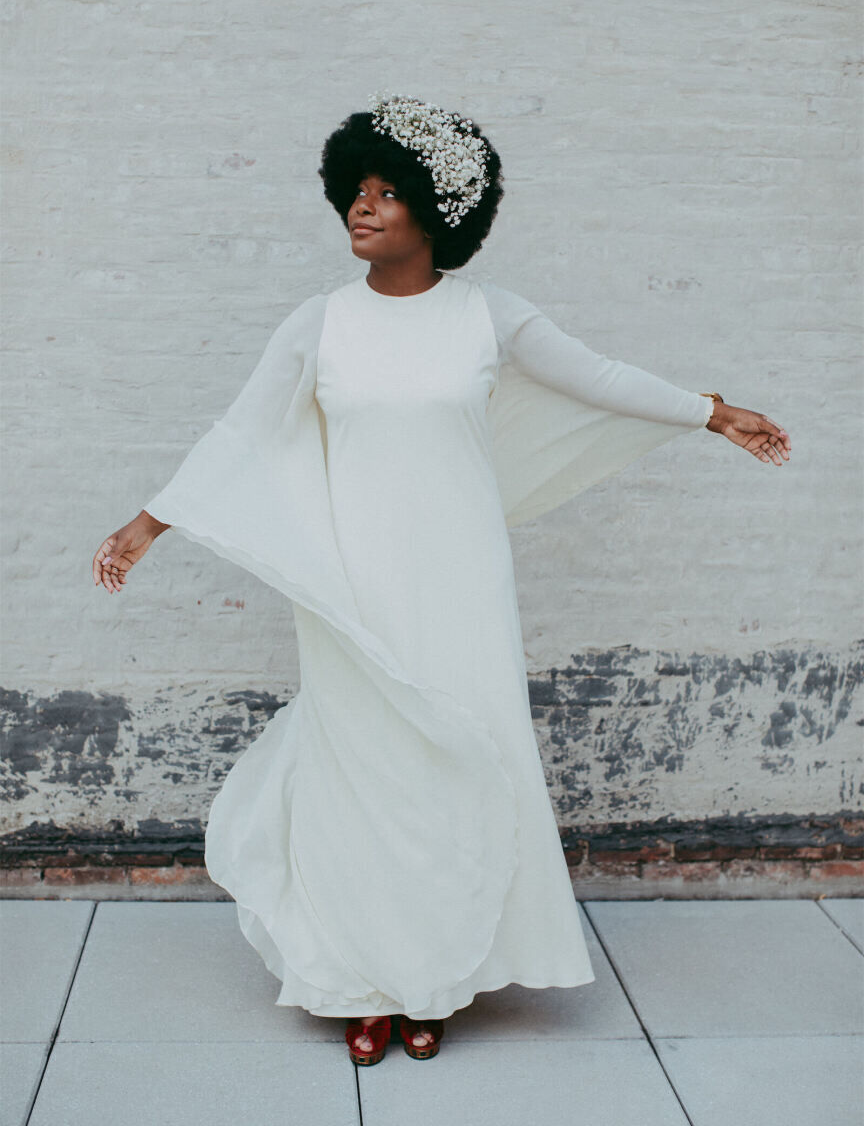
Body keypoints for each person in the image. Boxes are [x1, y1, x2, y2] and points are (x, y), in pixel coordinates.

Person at [91, 93, 791, 1066]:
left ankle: (434, 980)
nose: (362, 208)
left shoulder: (488, 317)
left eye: (387, 192)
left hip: (461, 581)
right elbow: (240, 432)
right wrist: (147, 523)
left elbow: (600, 377)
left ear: (436, 209)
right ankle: (362, 980)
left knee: (455, 771)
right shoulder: (319, 324)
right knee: (364, 775)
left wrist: (711, 411)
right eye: (356, 191)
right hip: (353, 588)